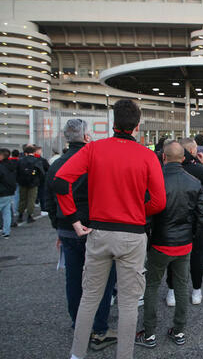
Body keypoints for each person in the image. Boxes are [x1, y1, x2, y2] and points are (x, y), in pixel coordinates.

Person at [54, 99, 166, 359]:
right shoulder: (147, 156)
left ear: (113, 123)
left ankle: (76, 354)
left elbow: (61, 182)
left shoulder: (93, 149)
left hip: (98, 232)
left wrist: (73, 218)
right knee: (128, 303)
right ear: (137, 126)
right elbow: (159, 202)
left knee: (90, 297)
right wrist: (139, 210)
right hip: (132, 234)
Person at [45, 119, 117, 352]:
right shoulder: (96, 161)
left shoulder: (56, 164)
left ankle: (78, 323)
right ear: (87, 137)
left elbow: (49, 199)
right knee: (102, 279)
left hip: (67, 228)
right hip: (95, 227)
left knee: (74, 279)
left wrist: (59, 225)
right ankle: (99, 328)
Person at [136, 141, 203, 349]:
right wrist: (192, 236)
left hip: (160, 241)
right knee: (182, 286)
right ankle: (179, 331)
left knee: (151, 286)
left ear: (163, 157)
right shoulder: (194, 182)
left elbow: (146, 214)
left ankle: (149, 333)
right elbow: (201, 216)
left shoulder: (155, 180)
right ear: (183, 158)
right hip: (183, 243)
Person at [165, 138, 203, 305]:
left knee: (172, 256)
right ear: (193, 151)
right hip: (195, 218)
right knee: (196, 256)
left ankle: (172, 291)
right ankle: (196, 291)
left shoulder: (166, 170)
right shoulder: (196, 169)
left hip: (171, 217)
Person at [17, 145, 45, 223]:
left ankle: (20, 215)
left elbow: (17, 172)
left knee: (22, 199)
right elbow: (42, 173)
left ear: (25, 152)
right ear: (34, 152)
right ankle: (29, 216)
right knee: (31, 199)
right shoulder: (37, 160)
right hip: (34, 183)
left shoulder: (20, 160)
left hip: (22, 182)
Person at [34, 145, 50, 215]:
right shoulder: (42, 160)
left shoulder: (32, 159)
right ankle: (43, 209)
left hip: (33, 180)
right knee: (42, 194)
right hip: (41, 180)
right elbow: (48, 169)